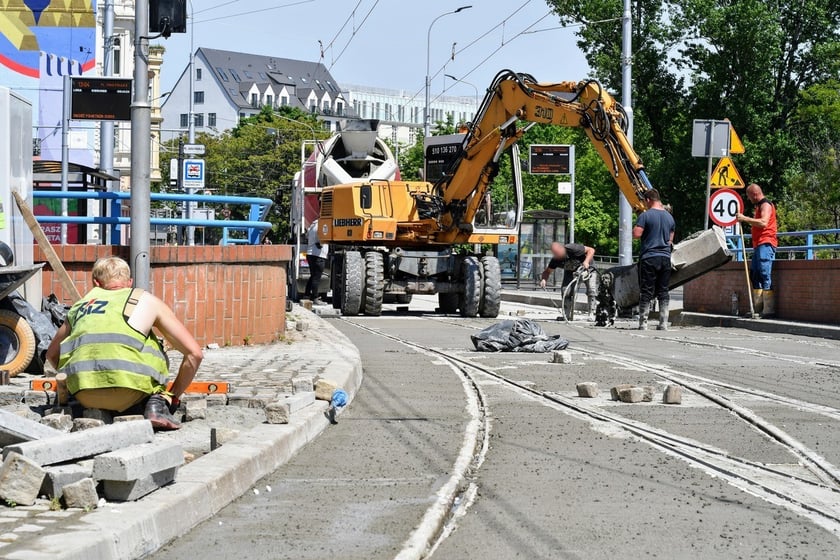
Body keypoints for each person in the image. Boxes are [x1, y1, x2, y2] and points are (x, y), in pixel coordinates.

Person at [46, 257, 203, 430]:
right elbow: (194, 354)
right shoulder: (146, 300)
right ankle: (157, 403)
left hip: (84, 395)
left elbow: (52, 355)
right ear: (130, 282)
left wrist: (73, 384)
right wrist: (173, 396)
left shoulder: (79, 306)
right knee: (155, 345)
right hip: (131, 392)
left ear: (95, 283)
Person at [633, 189, 675, 330]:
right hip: (665, 258)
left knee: (646, 290)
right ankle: (663, 322)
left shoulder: (646, 216)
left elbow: (637, 234)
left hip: (649, 257)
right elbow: (670, 239)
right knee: (663, 290)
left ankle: (643, 322)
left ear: (648, 200)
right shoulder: (669, 217)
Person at [736, 183, 778, 318]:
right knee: (755, 273)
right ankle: (758, 308)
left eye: (749, 196)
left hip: (766, 243)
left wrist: (745, 219)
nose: (748, 199)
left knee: (764, 273)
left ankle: (768, 310)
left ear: (755, 194)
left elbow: (764, 222)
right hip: (758, 244)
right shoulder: (759, 206)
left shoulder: (766, 205)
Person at [539, 241, 598, 319]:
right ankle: (566, 315)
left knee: (591, 290)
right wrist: (544, 279)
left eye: (558, 253)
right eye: (555, 254)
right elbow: (547, 271)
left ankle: (591, 314)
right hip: (571, 272)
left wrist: (586, 261)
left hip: (588, 269)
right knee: (565, 291)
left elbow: (591, 250)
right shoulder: (556, 259)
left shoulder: (572, 248)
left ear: (562, 248)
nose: (557, 255)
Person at [305, 219, 328, 305]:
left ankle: (307, 294)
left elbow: (307, 236)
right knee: (316, 278)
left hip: (310, 253)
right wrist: (321, 244)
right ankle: (315, 298)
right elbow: (320, 239)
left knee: (313, 276)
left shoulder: (312, 225)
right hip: (318, 255)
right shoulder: (321, 225)